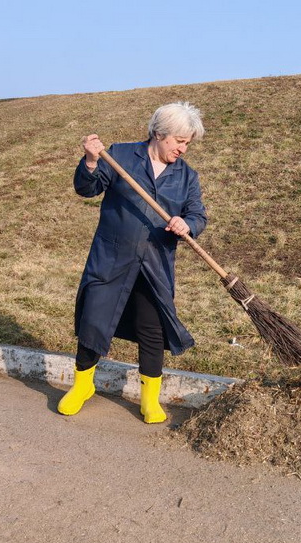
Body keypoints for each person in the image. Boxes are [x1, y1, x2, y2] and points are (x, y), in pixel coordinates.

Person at [58, 101, 208, 423]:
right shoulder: (121, 155)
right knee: (94, 320)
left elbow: (198, 214)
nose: (183, 149)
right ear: (159, 133)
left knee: (151, 329)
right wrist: (91, 160)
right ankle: (82, 386)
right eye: (179, 141)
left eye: (187, 143)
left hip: (154, 263)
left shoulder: (186, 177)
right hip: (111, 258)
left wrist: (187, 224)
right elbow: (87, 188)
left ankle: (149, 399)